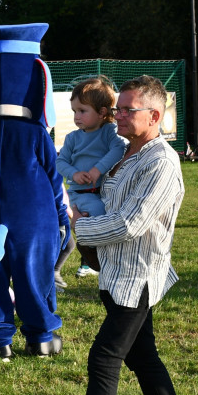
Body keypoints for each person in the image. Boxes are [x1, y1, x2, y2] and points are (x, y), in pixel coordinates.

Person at [26, 75, 190, 395]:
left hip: (138, 277)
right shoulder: (130, 152)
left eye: (127, 110)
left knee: (105, 357)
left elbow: (132, 223)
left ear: (154, 116)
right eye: (118, 108)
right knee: (142, 357)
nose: (118, 115)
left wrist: (82, 228)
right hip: (116, 274)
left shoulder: (161, 162)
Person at [56, 77, 127, 277]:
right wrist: (74, 173)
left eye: (82, 111)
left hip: (102, 191)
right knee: (100, 213)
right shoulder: (72, 138)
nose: (76, 117)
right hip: (80, 195)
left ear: (102, 112)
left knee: (111, 215)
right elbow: (60, 162)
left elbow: (118, 149)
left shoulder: (109, 132)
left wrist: (97, 170)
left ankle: (94, 257)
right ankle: (93, 259)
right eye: (74, 112)